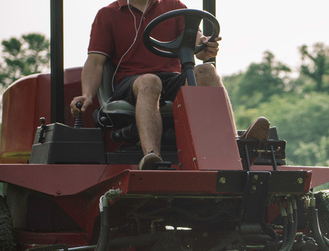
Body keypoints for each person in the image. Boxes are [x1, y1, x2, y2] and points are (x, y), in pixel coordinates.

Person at [70, 0, 269, 169]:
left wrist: (205, 45)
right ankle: (151, 156)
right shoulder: (108, 14)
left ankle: (234, 147)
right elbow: (95, 62)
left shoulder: (173, 6)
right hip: (130, 81)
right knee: (150, 81)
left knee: (206, 71)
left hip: (171, 78)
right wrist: (87, 95)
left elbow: (197, 44)